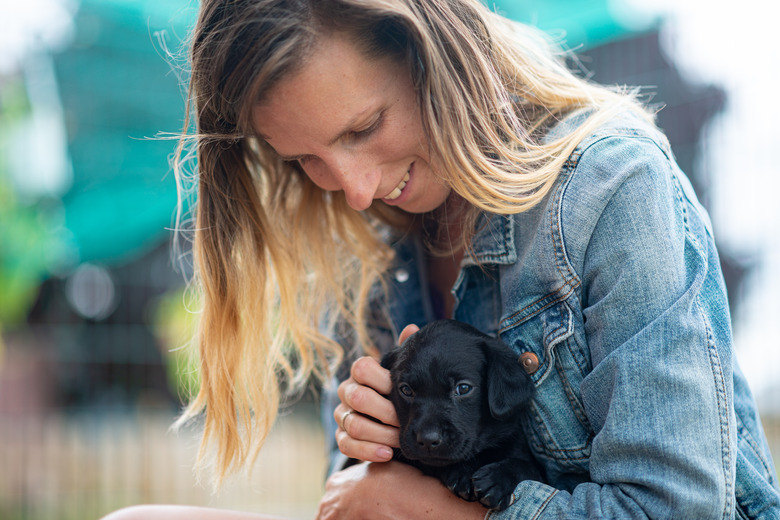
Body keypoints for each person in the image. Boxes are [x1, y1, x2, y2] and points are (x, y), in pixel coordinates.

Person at [102, 0, 780, 519]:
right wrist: (368, 455)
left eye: (365, 128)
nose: (356, 188)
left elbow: (676, 509)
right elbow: (364, 497)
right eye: (305, 159)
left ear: (433, 55)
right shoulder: (363, 242)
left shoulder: (611, 188)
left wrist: (430, 509)